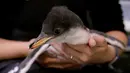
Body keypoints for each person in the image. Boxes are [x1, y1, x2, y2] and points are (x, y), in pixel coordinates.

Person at [0, 0, 128, 73]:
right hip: (15, 56)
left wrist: (107, 53)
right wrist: (32, 50)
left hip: (87, 56)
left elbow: (115, 29)